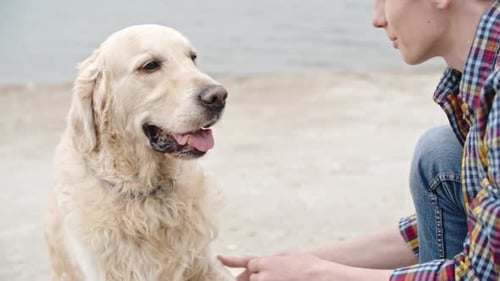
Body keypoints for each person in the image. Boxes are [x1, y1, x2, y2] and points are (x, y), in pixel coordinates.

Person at [217, 0, 500, 280]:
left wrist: (315, 275)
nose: (377, 19)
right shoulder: (478, 79)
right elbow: (482, 228)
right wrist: (299, 263)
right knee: (441, 155)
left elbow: (480, 274)